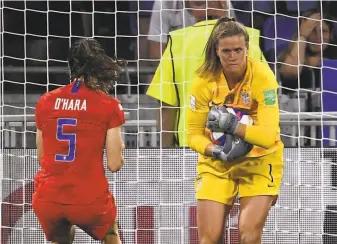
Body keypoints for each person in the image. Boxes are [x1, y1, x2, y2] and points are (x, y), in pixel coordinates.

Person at [186, 18, 284, 244]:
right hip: (217, 164)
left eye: (238, 50)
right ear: (217, 52)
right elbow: (193, 134)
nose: (233, 56)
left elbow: (268, 137)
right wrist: (215, 151)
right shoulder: (203, 81)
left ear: (247, 50)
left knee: (248, 235)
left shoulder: (262, 76)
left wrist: (233, 126)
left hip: (260, 160)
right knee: (208, 239)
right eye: (226, 51)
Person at [32, 39, 126, 244]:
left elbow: (42, 157)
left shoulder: (45, 101)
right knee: (111, 234)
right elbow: (114, 164)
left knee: (61, 235)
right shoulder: (109, 105)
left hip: (49, 198)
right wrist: (121, 149)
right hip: (89, 199)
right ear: (100, 66)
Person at [146, 1, 265, 147]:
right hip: (243, 147)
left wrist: (166, 153)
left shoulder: (177, 43)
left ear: (194, 9)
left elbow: (167, 107)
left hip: (191, 148)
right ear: (224, 6)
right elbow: (266, 99)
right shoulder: (248, 40)